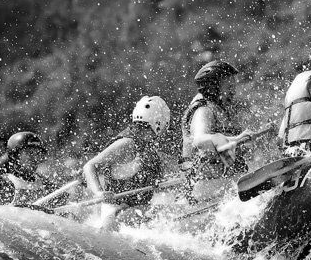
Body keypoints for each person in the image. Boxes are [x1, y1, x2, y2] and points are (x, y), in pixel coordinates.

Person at [83, 96, 170, 229]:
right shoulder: (128, 144)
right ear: (159, 122)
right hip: (115, 213)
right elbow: (90, 166)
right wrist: (99, 193)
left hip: (133, 211)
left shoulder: (146, 145)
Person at [181, 59, 248, 200]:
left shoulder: (221, 110)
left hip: (221, 184)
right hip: (205, 188)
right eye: (229, 86)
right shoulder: (203, 110)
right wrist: (233, 139)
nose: (233, 91)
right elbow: (199, 140)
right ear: (213, 87)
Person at [0, 131, 51, 206]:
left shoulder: (43, 182)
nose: (35, 158)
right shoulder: (5, 182)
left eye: (38, 154)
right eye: (30, 153)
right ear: (14, 156)